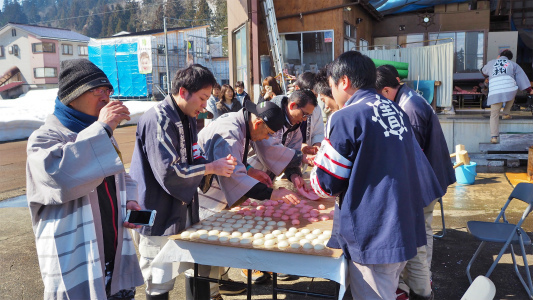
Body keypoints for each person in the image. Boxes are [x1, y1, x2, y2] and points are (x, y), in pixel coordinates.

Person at [310, 51, 444, 300]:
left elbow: (328, 183)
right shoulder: (395, 110)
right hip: (403, 224)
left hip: (375, 231)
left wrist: (317, 169)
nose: (331, 95)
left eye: (331, 86)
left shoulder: (346, 116)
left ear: (344, 82)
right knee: (388, 287)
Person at [26, 58, 144, 299]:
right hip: (78, 264)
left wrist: (129, 201)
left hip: (113, 255)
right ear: (72, 96)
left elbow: (120, 175)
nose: (106, 97)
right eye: (97, 90)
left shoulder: (101, 132)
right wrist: (102, 128)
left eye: (108, 90)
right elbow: (61, 178)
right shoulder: (45, 138)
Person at [129, 64, 239, 300]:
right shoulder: (157, 119)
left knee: (196, 267)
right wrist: (210, 167)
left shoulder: (188, 116)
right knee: (158, 278)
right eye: (202, 98)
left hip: (182, 208)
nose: (204, 105)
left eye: (208, 98)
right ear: (183, 91)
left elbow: (195, 154)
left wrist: (214, 163)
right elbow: (169, 172)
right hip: (153, 209)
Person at [376, 64, 456, 300]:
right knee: (424, 233)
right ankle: (422, 281)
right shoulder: (409, 97)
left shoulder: (408, 107)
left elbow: (411, 154)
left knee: (417, 239)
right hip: (429, 177)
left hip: (422, 182)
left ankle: (422, 290)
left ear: (388, 90)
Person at [481, 50, 532, 144]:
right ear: (509, 58)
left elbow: (483, 70)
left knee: (494, 115)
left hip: (495, 91)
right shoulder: (513, 64)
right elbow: (522, 79)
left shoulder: (492, 62)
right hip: (509, 89)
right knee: (513, 90)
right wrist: (529, 90)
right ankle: (505, 113)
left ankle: (494, 137)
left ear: (499, 55)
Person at [292, 72, 325, 163]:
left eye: (315, 96)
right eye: (310, 95)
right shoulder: (288, 108)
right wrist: (300, 146)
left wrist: (316, 146)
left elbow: (318, 132)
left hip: (305, 158)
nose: (313, 100)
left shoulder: (316, 109)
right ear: (297, 89)